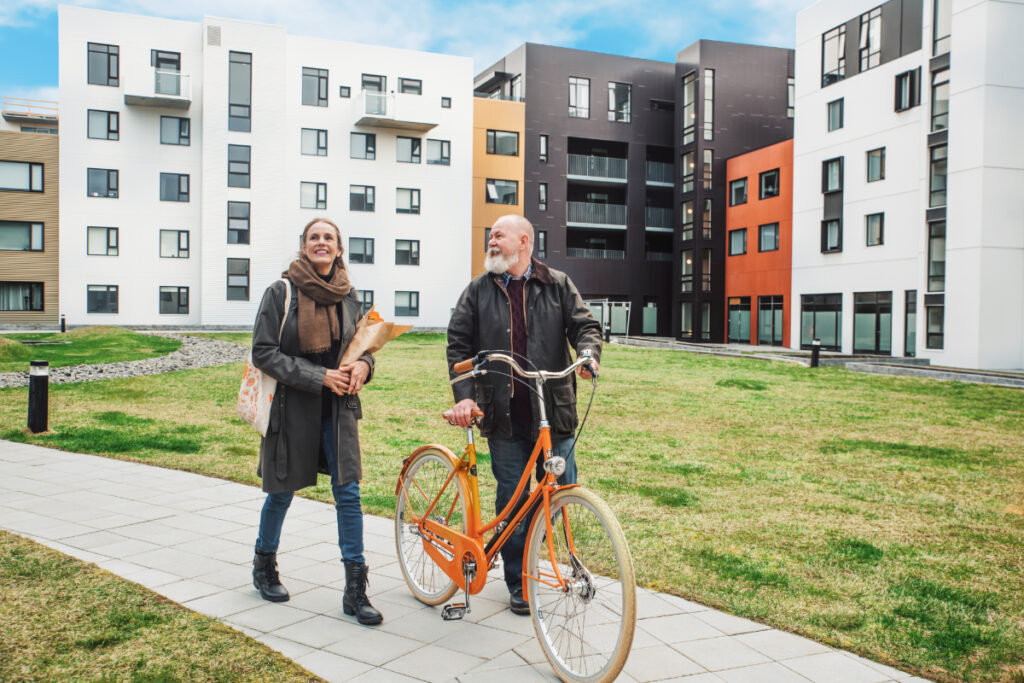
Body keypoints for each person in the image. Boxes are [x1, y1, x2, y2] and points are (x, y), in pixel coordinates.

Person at [446, 214, 602, 614]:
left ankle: (543, 554)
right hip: (504, 415)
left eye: (499, 235)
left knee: (562, 489)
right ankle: (518, 580)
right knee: (512, 500)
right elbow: (458, 345)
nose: (491, 240)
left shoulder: (557, 284)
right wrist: (464, 397)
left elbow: (585, 326)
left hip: (554, 413)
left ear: (524, 242)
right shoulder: (478, 291)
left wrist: (587, 355)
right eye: (490, 235)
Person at [249, 217, 382, 626]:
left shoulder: (349, 295)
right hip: (293, 408)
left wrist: (365, 366)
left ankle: (355, 590)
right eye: (314, 237)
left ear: (338, 249)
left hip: (338, 410)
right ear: (304, 246)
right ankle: (264, 565)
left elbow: (362, 347)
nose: (321, 242)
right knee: (282, 492)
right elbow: (263, 352)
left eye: (329, 238)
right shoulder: (281, 292)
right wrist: (319, 376)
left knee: (349, 494)